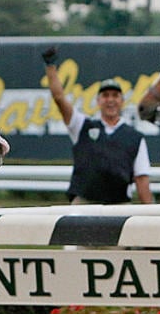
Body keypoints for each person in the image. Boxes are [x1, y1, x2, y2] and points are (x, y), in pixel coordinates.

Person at [43, 48, 153, 204]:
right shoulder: (82, 126)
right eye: (105, 95)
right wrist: (50, 67)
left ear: (122, 101)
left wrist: (151, 218)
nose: (110, 100)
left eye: (115, 96)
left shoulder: (135, 138)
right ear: (98, 100)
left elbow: (142, 179)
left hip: (119, 205)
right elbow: (59, 98)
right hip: (84, 202)